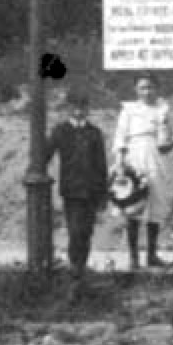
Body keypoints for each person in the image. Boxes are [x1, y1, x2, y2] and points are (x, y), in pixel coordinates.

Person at [111, 77, 173, 268]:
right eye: (142, 88)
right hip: (135, 156)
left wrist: (169, 143)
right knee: (134, 204)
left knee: (156, 203)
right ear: (136, 90)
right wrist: (120, 163)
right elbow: (120, 137)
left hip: (156, 157)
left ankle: (152, 255)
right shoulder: (129, 110)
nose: (147, 91)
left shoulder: (162, 109)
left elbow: (168, 138)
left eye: (150, 87)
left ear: (156, 88)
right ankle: (133, 258)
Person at [46, 94, 113, 272]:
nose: (78, 111)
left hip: (92, 189)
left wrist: (103, 193)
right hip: (71, 189)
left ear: (87, 109)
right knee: (75, 230)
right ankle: (75, 265)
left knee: (86, 231)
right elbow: (46, 154)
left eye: (82, 107)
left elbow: (101, 164)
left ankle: (81, 266)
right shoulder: (61, 131)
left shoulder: (94, 133)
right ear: (68, 108)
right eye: (74, 107)